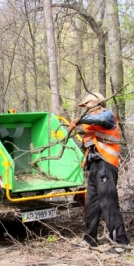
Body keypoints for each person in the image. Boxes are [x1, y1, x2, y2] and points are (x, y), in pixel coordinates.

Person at [69, 92, 129, 249]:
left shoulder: (107, 115)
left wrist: (80, 120)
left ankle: (120, 242)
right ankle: (89, 239)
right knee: (91, 204)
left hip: (106, 164)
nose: (86, 109)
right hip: (94, 166)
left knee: (108, 203)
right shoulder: (91, 122)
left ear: (97, 103)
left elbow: (101, 121)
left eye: (87, 105)